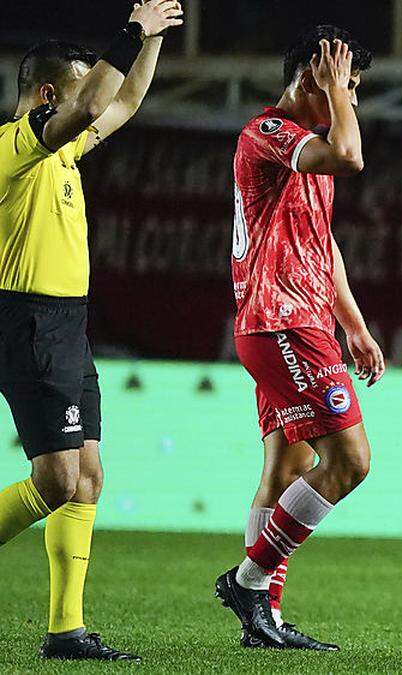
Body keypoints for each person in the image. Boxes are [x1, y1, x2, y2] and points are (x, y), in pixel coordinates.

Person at [0, 1, 183, 661]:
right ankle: (64, 630)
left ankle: (65, 629)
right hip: (26, 317)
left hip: (68, 322)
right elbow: (98, 100)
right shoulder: (12, 145)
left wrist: (153, 39)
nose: (91, 107)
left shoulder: (65, 145)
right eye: (79, 94)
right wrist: (128, 32)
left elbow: (125, 101)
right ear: (48, 96)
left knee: (88, 476)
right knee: (55, 480)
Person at [214, 25, 385, 651]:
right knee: (350, 461)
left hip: (295, 321)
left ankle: (266, 622)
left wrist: (356, 326)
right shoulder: (267, 133)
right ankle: (249, 582)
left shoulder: (302, 150)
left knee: (287, 466)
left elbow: (322, 243)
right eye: (350, 86)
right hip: (283, 322)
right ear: (316, 78)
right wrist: (337, 91)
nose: (354, 101)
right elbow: (351, 154)